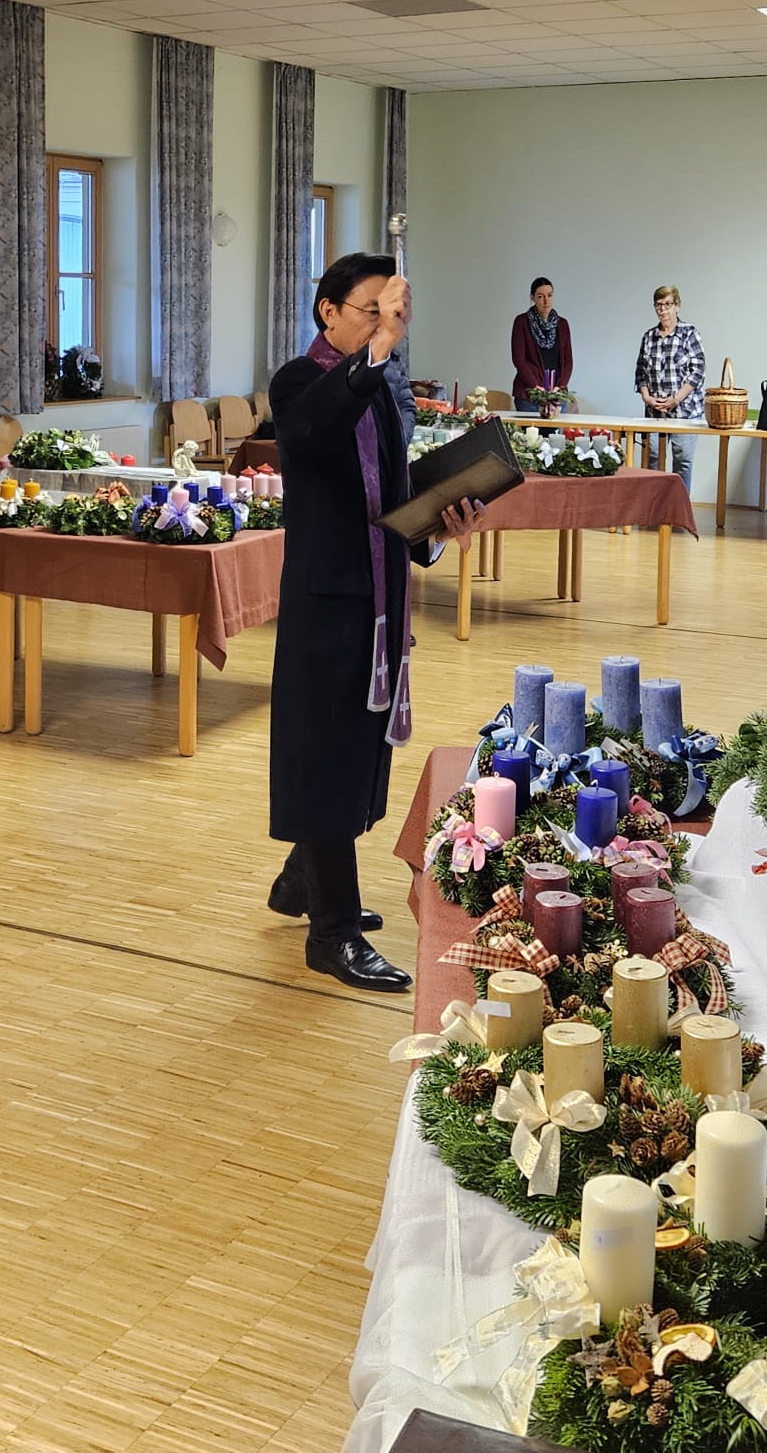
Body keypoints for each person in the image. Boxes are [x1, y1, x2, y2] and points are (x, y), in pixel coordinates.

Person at [265, 254, 485, 992]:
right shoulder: (298, 382)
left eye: (394, 314)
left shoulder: (379, 390)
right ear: (328, 311)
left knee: (356, 754)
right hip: (327, 602)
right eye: (373, 311)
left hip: (379, 599)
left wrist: (439, 524)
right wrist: (380, 351)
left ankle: (304, 878)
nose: (385, 325)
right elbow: (315, 430)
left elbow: (390, 498)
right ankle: (330, 934)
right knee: (326, 757)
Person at [634, 286, 706, 492]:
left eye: (668, 304)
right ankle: (654, 505)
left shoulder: (689, 333)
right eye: (659, 305)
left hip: (685, 411)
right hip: (654, 412)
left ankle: (678, 507)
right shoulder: (649, 337)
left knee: (682, 462)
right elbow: (640, 372)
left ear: (677, 306)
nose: (663, 309)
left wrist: (676, 398)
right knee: (652, 460)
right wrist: (647, 398)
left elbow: (698, 370)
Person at [511, 277, 573, 411]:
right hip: (529, 396)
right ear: (532, 297)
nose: (546, 301)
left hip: (556, 395)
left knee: (557, 426)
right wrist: (535, 387)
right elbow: (519, 360)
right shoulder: (521, 322)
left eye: (549, 295)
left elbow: (568, 361)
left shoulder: (562, 324)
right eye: (540, 296)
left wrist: (560, 386)